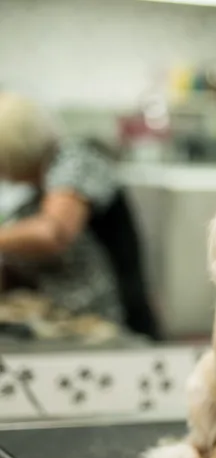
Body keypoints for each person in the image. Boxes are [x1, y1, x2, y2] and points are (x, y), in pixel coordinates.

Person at [0, 92, 124, 324]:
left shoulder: (75, 161)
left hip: (103, 322)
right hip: (57, 317)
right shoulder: (40, 184)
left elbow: (52, 234)